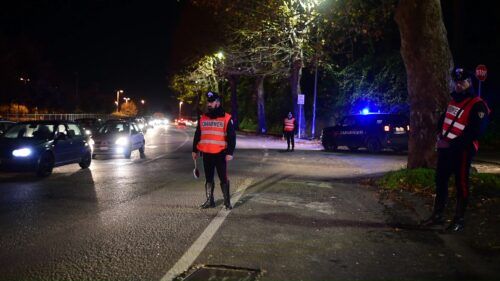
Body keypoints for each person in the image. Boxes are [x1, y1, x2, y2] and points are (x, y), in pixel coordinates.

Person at [421, 67, 490, 232]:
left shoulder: (478, 105)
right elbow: (443, 120)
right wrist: (440, 136)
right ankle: (437, 215)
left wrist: (451, 144)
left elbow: (475, 132)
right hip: (446, 149)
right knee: (441, 181)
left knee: (461, 184)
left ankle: (459, 220)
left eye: (463, 82)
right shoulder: (454, 100)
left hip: (463, 151)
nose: (459, 85)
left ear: (469, 82)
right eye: (457, 82)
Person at [192, 91, 236, 210]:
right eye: (208, 102)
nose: (209, 104)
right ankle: (209, 201)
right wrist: (194, 150)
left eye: (211, 102)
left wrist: (230, 152)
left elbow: (232, 137)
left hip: (221, 154)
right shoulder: (203, 117)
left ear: (218, 102)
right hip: (206, 153)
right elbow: (198, 134)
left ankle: (227, 202)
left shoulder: (227, 118)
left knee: (223, 178)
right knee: (209, 178)